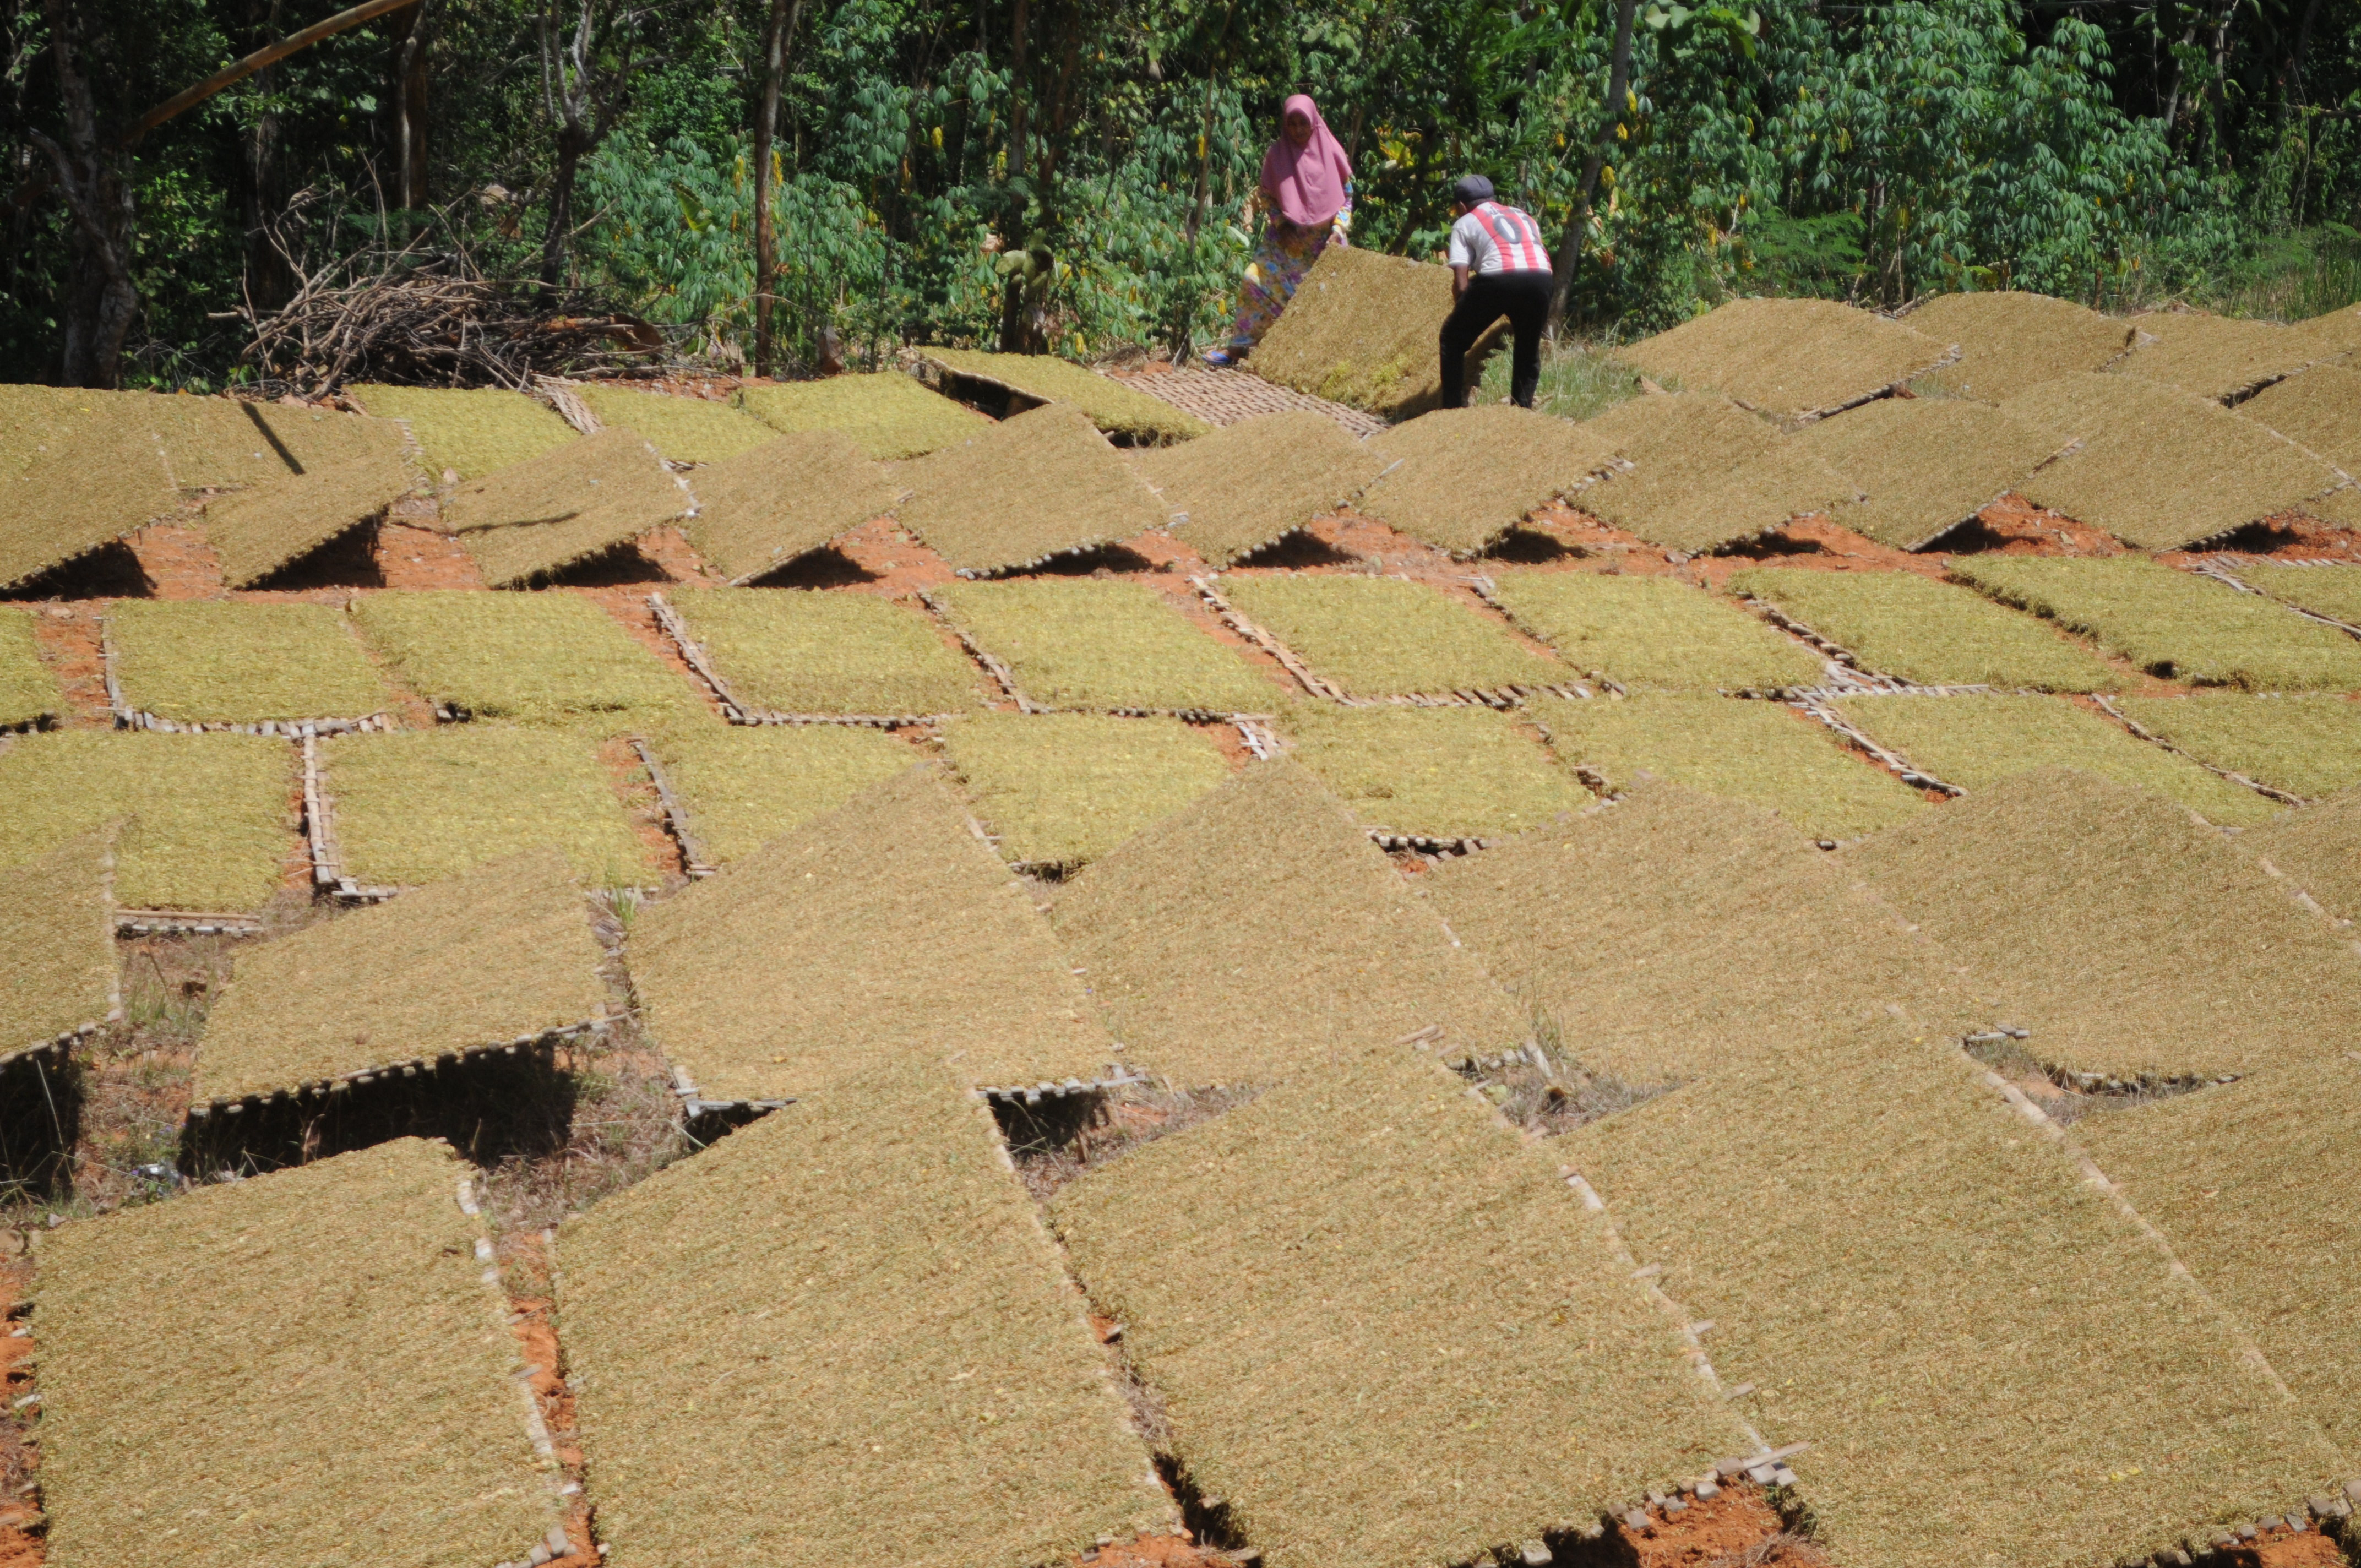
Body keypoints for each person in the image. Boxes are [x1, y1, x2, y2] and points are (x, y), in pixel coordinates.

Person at [1203, 95, 1353, 367]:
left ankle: (1314, 361)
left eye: (1303, 124)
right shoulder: (1276, 156)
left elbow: (1347, 196)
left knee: (1325, 299)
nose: (1297, 130)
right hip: (1287, 242)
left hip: (1325, 243)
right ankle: (1238, 349)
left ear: (1314, 123)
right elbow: (1268, 196)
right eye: (1292, 123)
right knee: (1253, 279)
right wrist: (1281, 224)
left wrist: (1338, 229)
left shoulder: (1331, 151)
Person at [1439, 175, 1553, 409]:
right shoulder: (1523, 215)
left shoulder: (1465, 222)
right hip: (1542, 277)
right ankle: (1521, 410)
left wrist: (1464, 311)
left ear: (1461, 206)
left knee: (1452, 340)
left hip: (1499, 279)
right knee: (1527, 348)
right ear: (1492, 198)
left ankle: (1450, 410)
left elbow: (1462, 285)